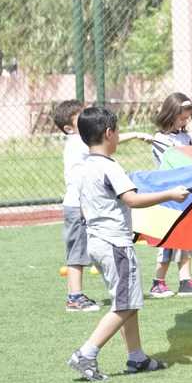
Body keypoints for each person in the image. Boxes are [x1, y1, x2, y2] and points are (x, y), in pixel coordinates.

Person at [65, 107, 189, 381]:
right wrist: (170, 194)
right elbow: (131, 199)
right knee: (125, 304)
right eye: (118, 130)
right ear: (109, 133)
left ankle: (136, 357)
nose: (119, 135)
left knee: (126, 301)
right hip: (115, 245)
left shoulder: (83, 167)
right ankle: (86, 353)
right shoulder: (110, 167)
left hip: (97, 242)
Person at [54, 99, 152, 312]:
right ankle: (74, 297)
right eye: (82, 117)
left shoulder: (83, 143)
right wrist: (134, 135)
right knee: (77, 252)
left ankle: (77, 295)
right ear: (70, 128)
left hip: (85, 204)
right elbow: (104, 137)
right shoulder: (78, 141)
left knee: (83, 251)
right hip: (78, 205)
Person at [148, 92, 192, 299]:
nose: (184, 121)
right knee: (168, 239)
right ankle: (158, 282)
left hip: (187, 194)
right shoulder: (160, 139)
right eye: (181, 117)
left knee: (187, 237)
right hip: (168, 195)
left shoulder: (186, 137)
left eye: (187, 118)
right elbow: (170, 163)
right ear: (170, 114)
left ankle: (185, 280)